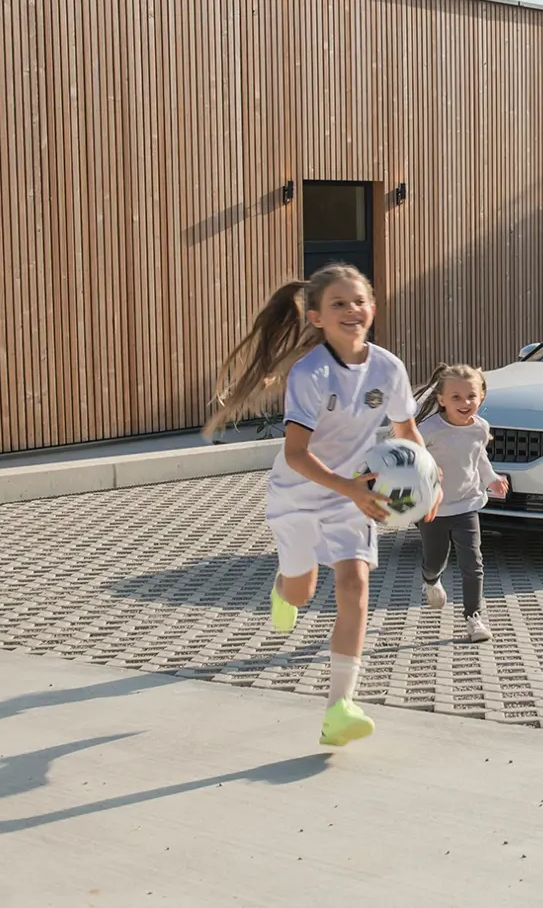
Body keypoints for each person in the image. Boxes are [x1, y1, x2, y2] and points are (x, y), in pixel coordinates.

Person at [205, 263, 436, 746]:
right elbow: (295, 454)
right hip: (299, 492)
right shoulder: (311, 373)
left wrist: (429, 482)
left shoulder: (388, 367)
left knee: (355, 585)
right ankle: (282, 588)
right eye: (339, 304)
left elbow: (406, 432)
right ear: (316, 318)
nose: (352, 310)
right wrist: (349, 487)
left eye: (359, 301)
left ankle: (340, 708)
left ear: (372, 308)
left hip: (354, 496)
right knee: (301, 593)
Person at [414, 364, 508, 643]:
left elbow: (478, 459)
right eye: (455, 397)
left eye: (471, 396)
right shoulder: (428, 428)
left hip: (467, 504)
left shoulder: (480, 428)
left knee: (473, 562)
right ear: (441, 399)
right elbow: (411, 456)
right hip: (434, 508)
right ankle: (430, 580)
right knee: (435, 560)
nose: (465, 403)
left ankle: (473, 617)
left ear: (481, 397)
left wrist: (491, 478)